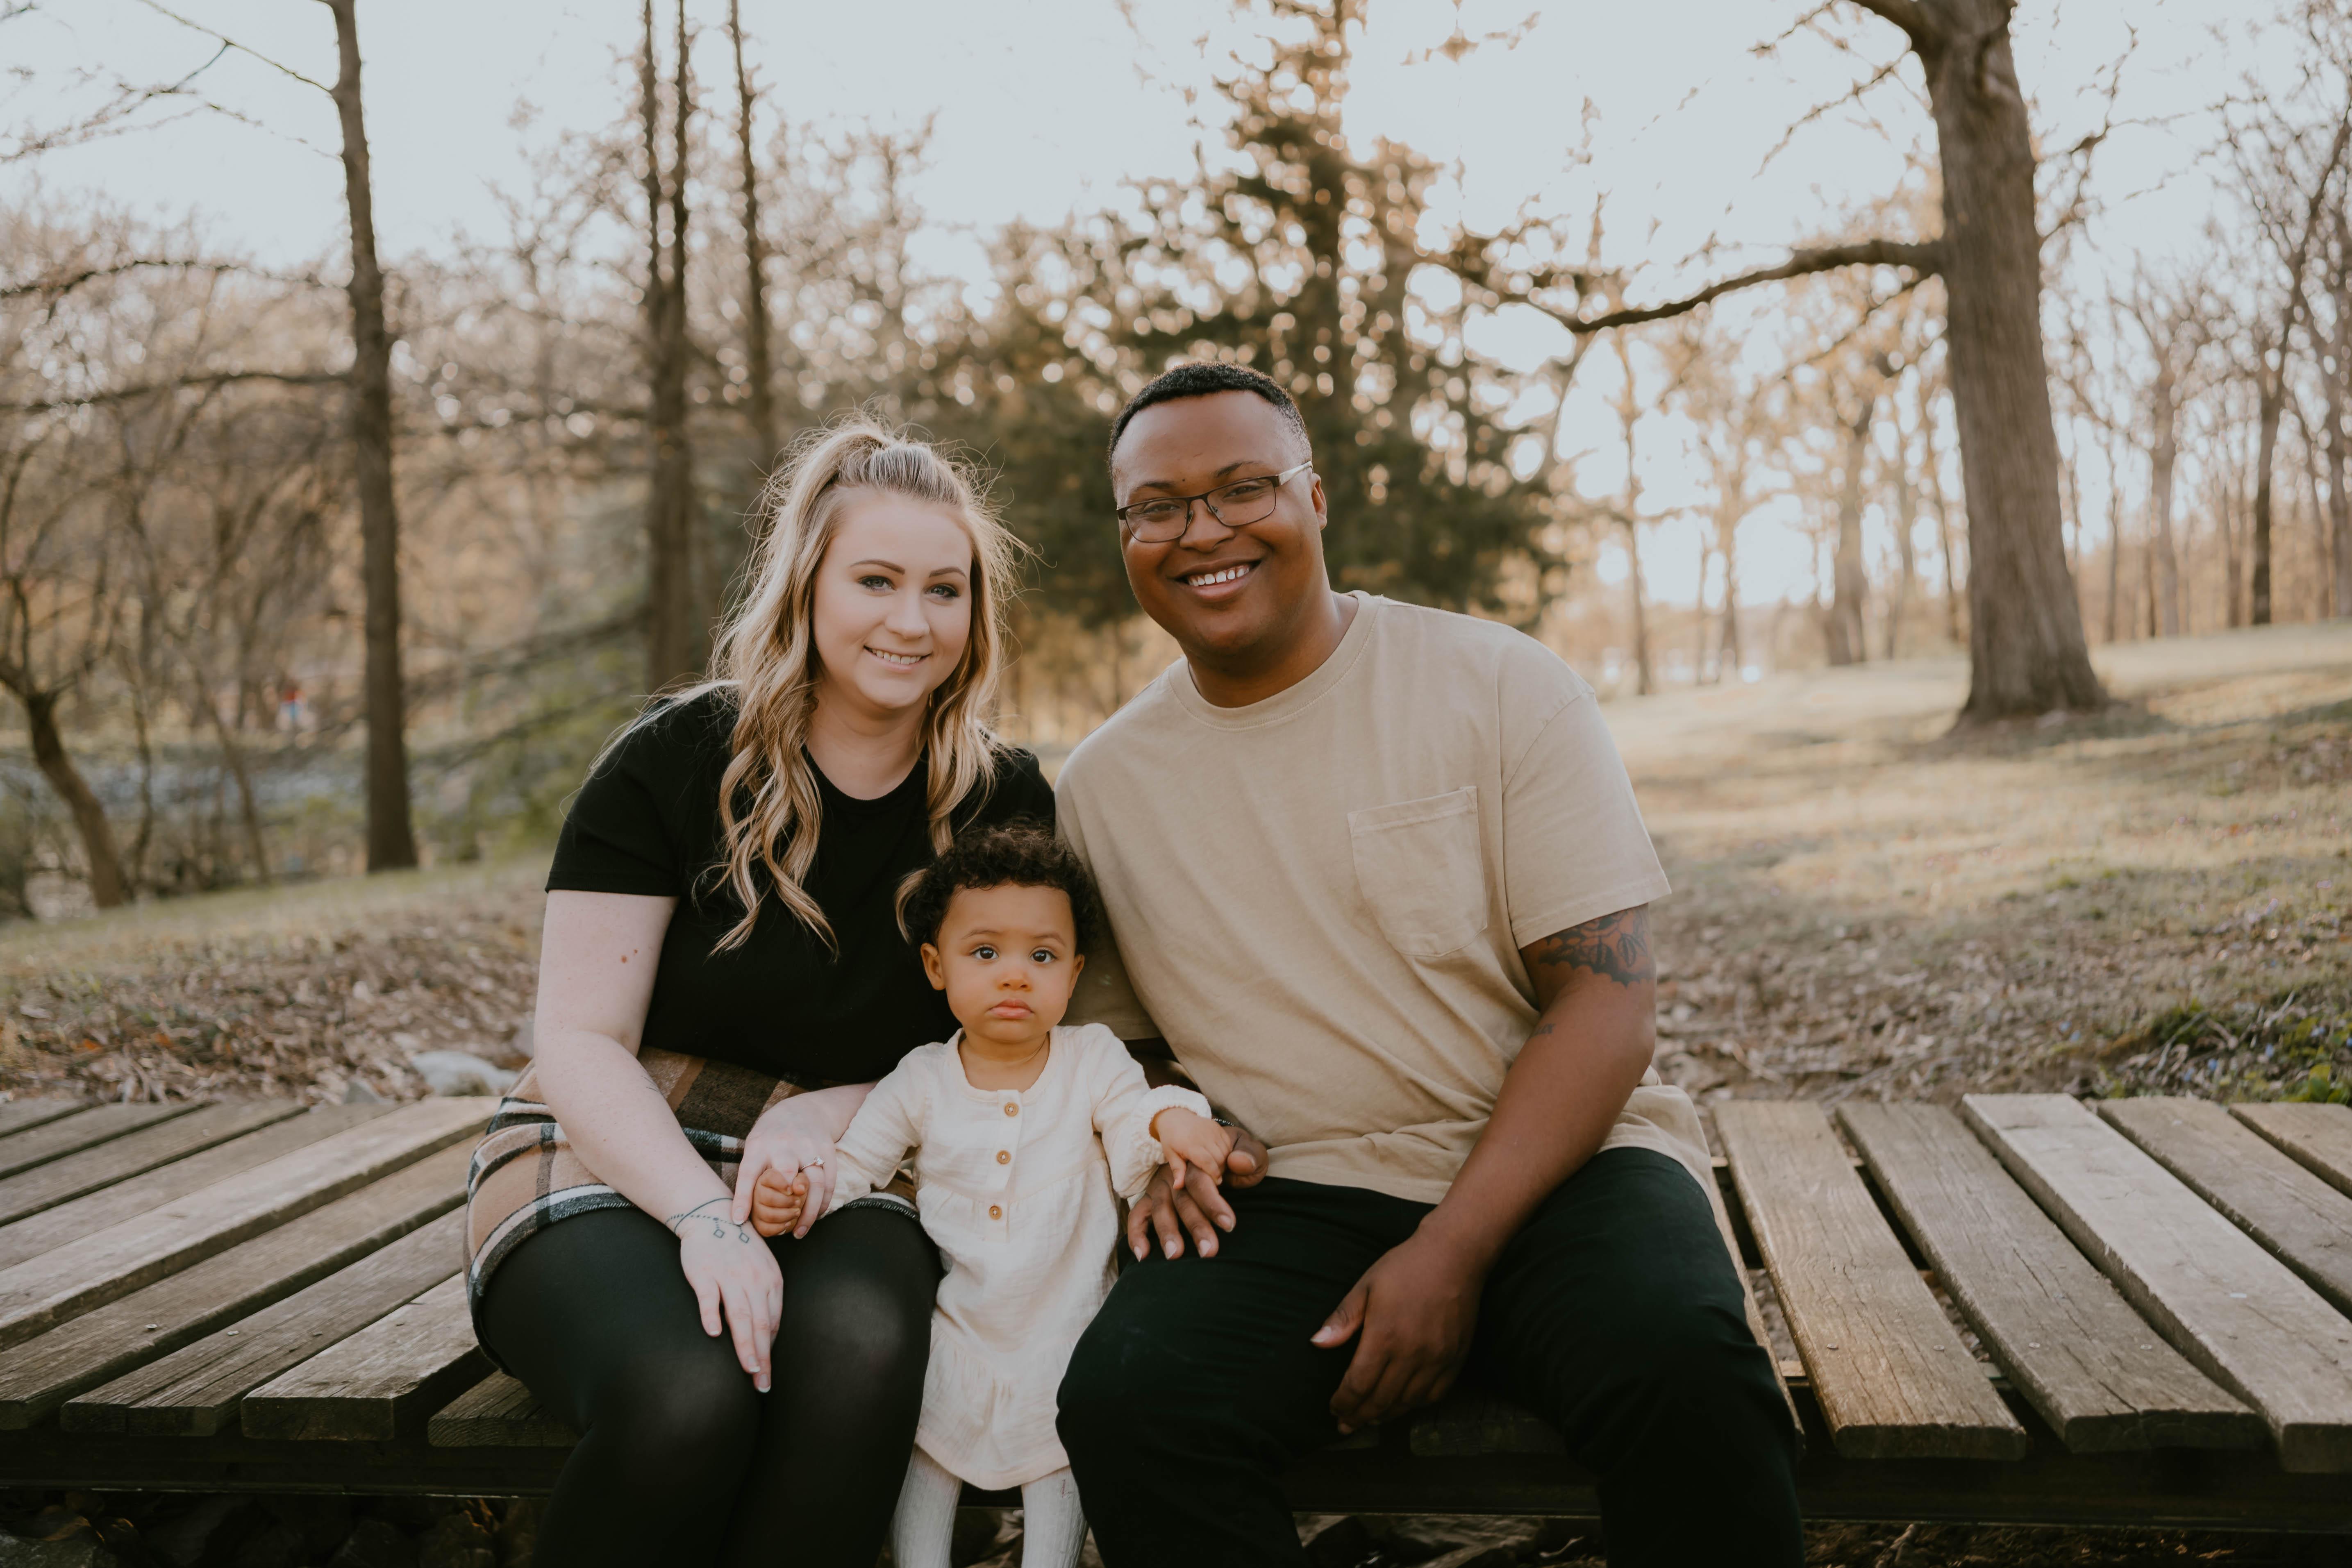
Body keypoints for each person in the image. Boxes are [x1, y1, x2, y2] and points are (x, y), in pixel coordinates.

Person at [1051, 363, 1804, 1567]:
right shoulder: (1102, 785)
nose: (1202, 531)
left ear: (1314, 497)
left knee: (1686, 1370)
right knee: (1131, 1403)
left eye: (1243, 488)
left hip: (1561, 1165)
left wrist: (1449, 1252)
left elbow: (1607, 1002)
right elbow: (1124, 1047)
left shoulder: (1498, 684)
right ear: (1125, 532)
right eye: (1158, 506)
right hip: (1292, 1191)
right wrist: (1169, 1131)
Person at [461, 418, 1055, 1568]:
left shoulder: (1002, 800)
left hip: (865, 1149)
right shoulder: (675, 760)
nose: (911, 620)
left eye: (943, 589)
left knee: (858, 1353)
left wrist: (824, 1116)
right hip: (619, 1136)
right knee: (687, 1394)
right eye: (875, 580)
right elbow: (579, 1039)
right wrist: (703, 1217)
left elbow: (1011, 1041)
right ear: (807, 585)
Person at [752, 824, 1231, 1568]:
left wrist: (1176, 1118)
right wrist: (796, 1193)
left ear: (1073, 973)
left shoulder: (1090, 1058)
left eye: (1042, 956)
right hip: (959, 1328)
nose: (1015, 976)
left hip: (1069, 1325)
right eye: (985, 953)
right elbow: (856, 1166)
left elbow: (1133, 1118)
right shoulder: (922, 1078)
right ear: (936, 966)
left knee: (1059, 1465)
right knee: (927, 1453)